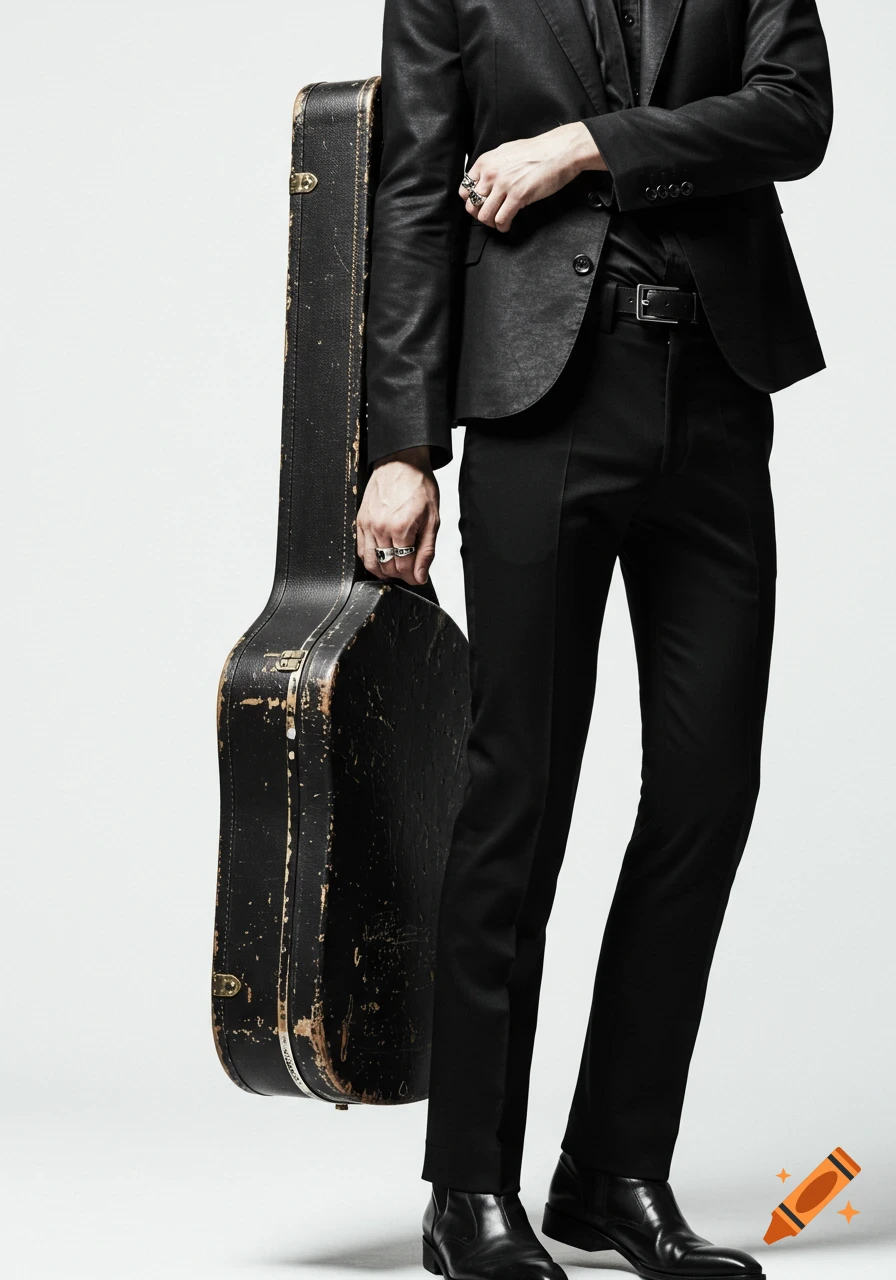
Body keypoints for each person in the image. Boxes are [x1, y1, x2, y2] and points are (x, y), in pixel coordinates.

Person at [356, 2, 832, 1278]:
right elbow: (410, 196)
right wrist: (402, 444)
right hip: (534, 401)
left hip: (715, 398)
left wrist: (581, 144)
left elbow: (794, 115)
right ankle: (469, 1188)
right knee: (516, 799)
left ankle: (611, 1171)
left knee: (702, 793)